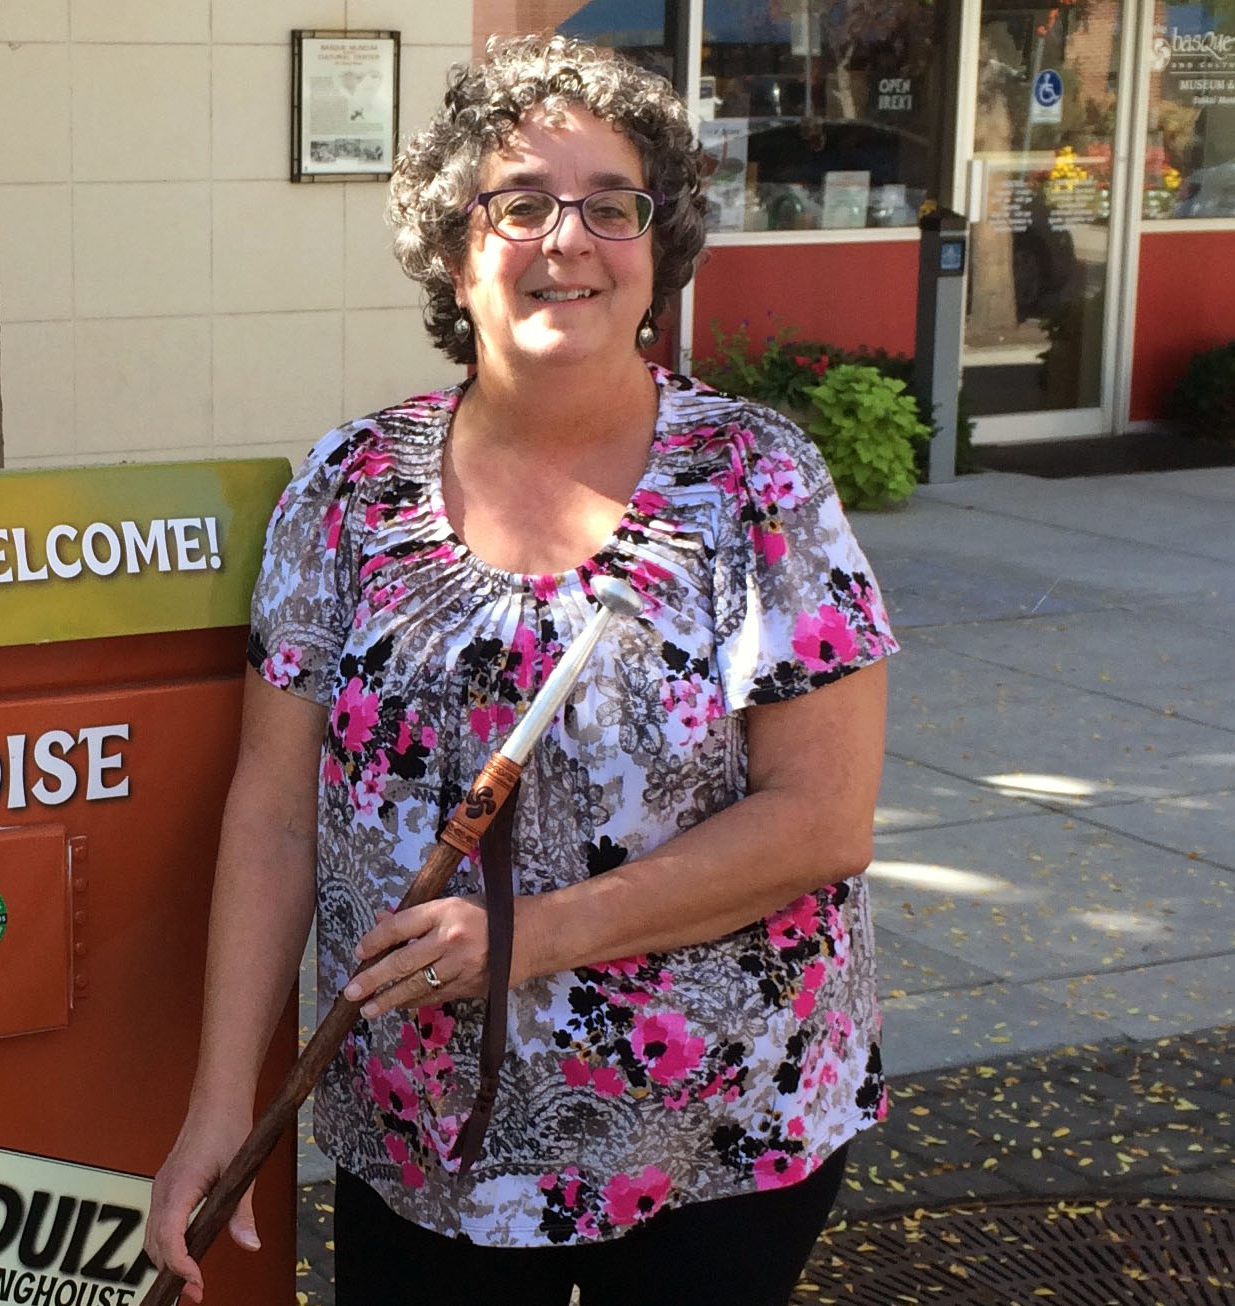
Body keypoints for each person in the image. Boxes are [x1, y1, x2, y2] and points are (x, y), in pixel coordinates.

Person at [144, 35, 898, 1306]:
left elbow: (822, 821)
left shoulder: (756, 483)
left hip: (714, 1131)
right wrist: (222, 1104)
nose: (569, 239)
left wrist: (526, 939)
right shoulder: (347, 488)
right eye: (522, 204)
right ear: (454, 247)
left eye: (613, 206)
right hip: (423, 1135)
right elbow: (274, 816)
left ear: (658, 253)